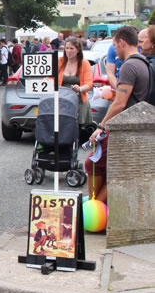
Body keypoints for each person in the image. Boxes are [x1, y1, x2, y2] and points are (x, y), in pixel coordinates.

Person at [86, 26, 150, 203]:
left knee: (93, 164)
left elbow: (120, 103)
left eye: (114, 45)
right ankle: (98, 206)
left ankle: (95, 207)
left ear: (122, 42)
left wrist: (100, 126)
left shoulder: (129, 66)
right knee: (115, 169)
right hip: (137, 126)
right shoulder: (143, 62)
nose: (114, 49)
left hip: (126, 128)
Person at [57, 37, 93, 127]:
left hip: (78, 99)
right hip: (61, 100)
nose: (68, 51)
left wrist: (80, 88)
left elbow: (89, 84)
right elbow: (49, 79)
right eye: (67, 48)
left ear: (78, 50)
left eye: (72, 48)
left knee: (78, 128)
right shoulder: (59, 62)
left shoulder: (84, 63)